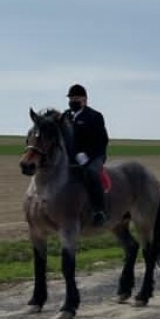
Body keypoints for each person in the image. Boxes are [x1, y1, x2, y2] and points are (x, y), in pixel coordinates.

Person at [63, 84, 110, 226]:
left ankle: (99, 211)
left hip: (94, 156)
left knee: (91, 173)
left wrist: (87, 155)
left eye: (76, 98)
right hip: (71, 156)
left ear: (84, 99)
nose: (72, 101)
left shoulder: (95, 116)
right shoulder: (65, 116)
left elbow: (102, 140)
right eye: (71, 98)